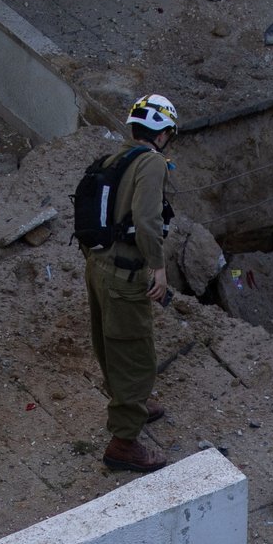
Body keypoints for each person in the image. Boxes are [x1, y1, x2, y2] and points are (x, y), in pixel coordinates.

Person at [85, 93, 179, 473]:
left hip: (98, 266)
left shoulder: (114, 158)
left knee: (110, 344)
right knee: (137, 357)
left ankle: (132, 403)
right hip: (125, 273)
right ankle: (124, 443)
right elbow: (147, 220)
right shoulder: (152, 163)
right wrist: (158, 266)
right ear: (164, 133)